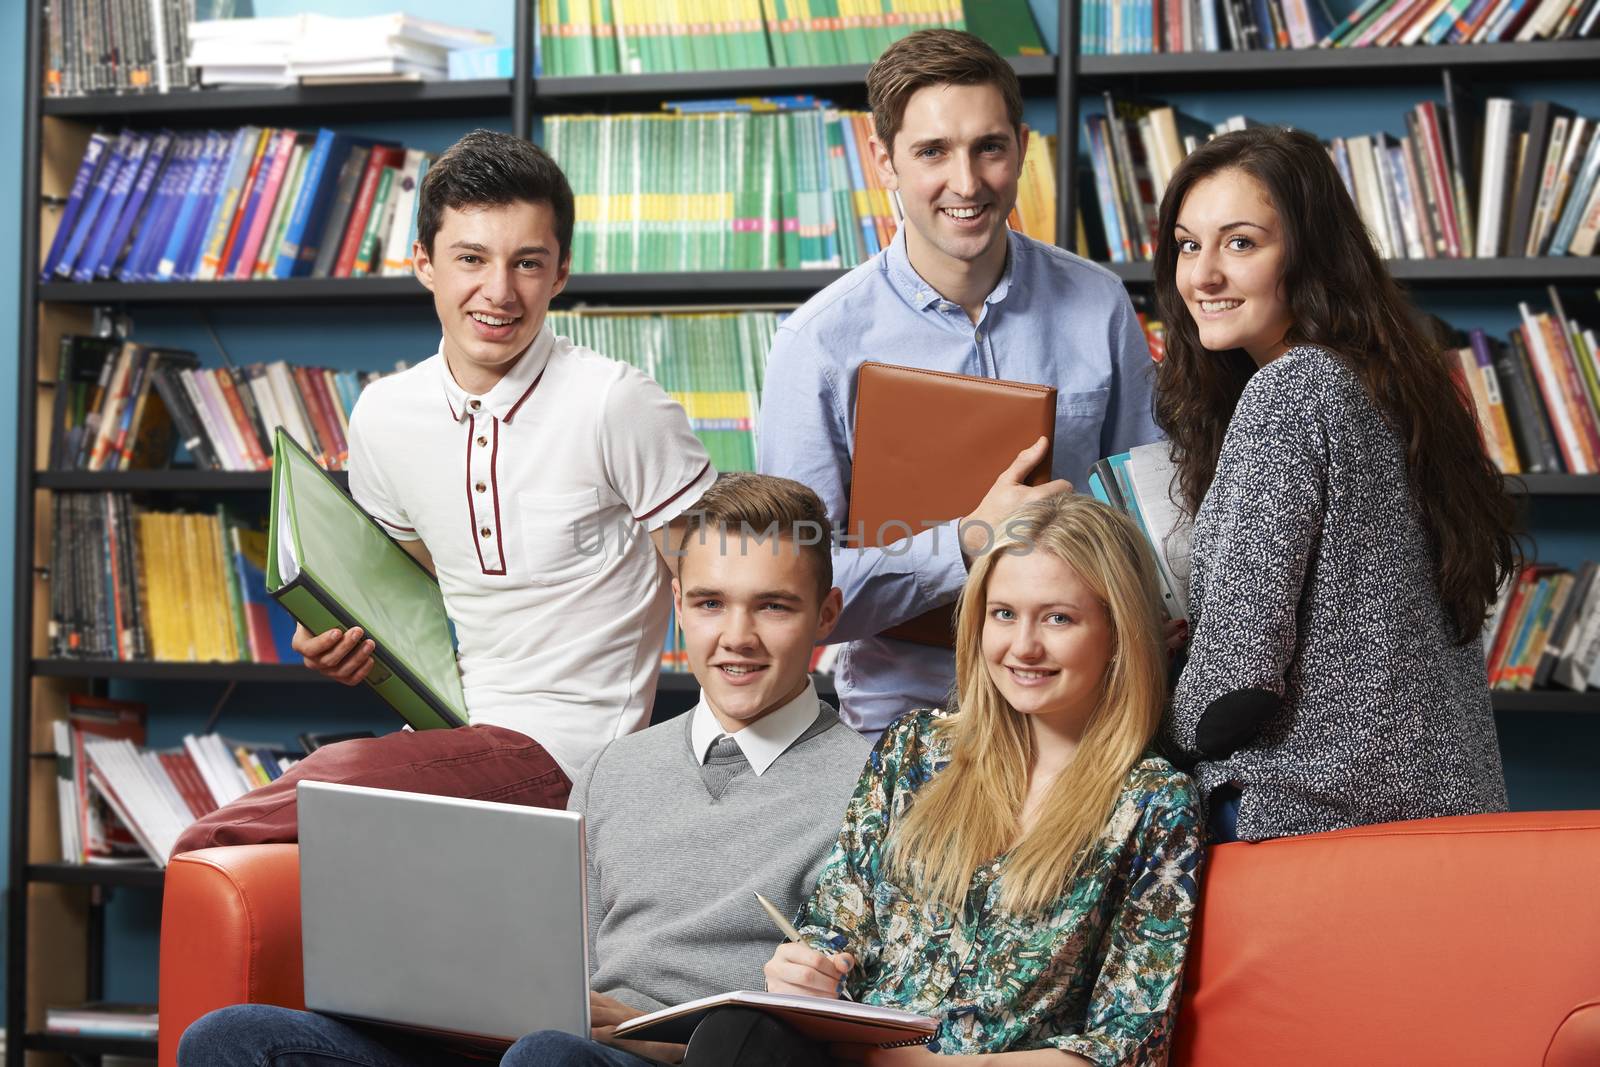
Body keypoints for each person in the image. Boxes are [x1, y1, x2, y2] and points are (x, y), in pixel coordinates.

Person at [178, 473, 872, 1067]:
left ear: (824, 616)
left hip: (680, 1057)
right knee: (235, 1039)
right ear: (679, 606)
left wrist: (647, 1035)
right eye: (710, 602)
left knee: (547, 1055)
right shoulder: (614, 768)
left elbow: (849, 1019)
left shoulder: (874, 787)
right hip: (550, 1043)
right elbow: (557, 968)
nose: (736, 638)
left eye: (773, 606)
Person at [171, 130, 716, 856]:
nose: (498, 291)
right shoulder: (383, 415)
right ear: (423, 261)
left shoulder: (616, 404)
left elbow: (722, 588)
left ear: (560, 273)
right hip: (449, 735)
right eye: (471, 258)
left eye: (527, 262)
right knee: (267, 848)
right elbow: (399, 599)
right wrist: (335, 635)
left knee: (225, 832)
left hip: (576, 755)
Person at [757, 29, 1163, 740]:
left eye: (989, 148)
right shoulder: (817, 344)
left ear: (1022, 147)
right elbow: (793, 590)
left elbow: (1152, 529)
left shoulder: (1099, 304)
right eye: (933, 152)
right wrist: (972, 541)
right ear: (884, 160)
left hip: (1084, 713)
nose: (967, 183)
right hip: (906, 721)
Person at [699, 493, 1202, 1066]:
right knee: (735, 1032)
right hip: (850, 1054)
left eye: (1059, 618)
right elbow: (837, 930)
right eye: (1004, 613)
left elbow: (1128, 1043)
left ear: (1119, 632)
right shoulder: (913, 747)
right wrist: (804, 970)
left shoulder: (1154, 801)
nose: (1023, 647)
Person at [1153, 126, 1519, 843]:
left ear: (1311, 253)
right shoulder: (1397, 387)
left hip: (1314, 831)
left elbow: (1236, 687)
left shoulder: (1291, 391)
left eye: (1241, 243)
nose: (1202, 276)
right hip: (1449, 824)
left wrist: (1141, 714)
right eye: (1188, 245)